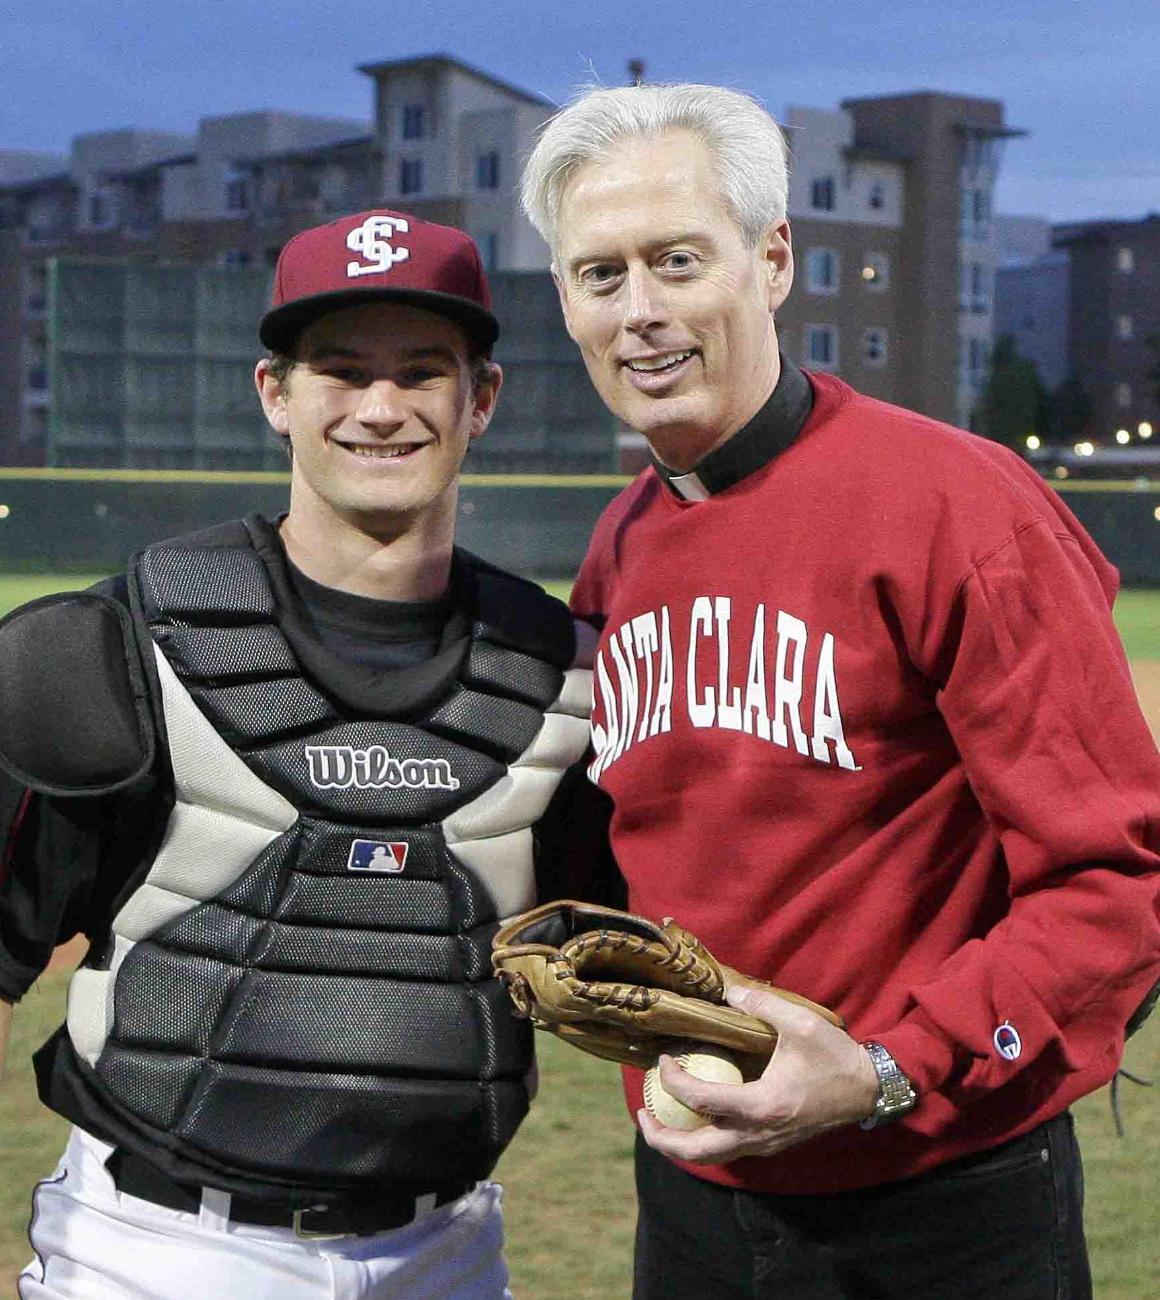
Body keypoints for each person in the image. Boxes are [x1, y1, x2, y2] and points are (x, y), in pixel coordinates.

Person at [520, 84, 1160, 1299]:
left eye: (675, 259)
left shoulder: (955, 509)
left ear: (770, 261)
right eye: (598, 275)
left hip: (939, 1197)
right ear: (565, 301)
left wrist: (884, 1067)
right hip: (694, 1193)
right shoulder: (620, 544)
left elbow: (1116, 878)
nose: (640, 311)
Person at [0, 209, 605, 1299]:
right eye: (340, 370)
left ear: (483, 398)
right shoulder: (115, 647)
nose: (380, 408)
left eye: (423, 371)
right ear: (275, 393)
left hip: (450, 1248)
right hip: (161, 1252)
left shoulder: (563, 674)